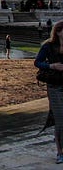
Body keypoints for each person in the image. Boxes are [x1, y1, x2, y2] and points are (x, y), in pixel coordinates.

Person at [35, 20, 63, 164]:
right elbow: (37, 62)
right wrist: (52, 66)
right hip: (55, 87)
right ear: (58, 32)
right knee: (60, 121)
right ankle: (60, 152)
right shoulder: (48, 46)